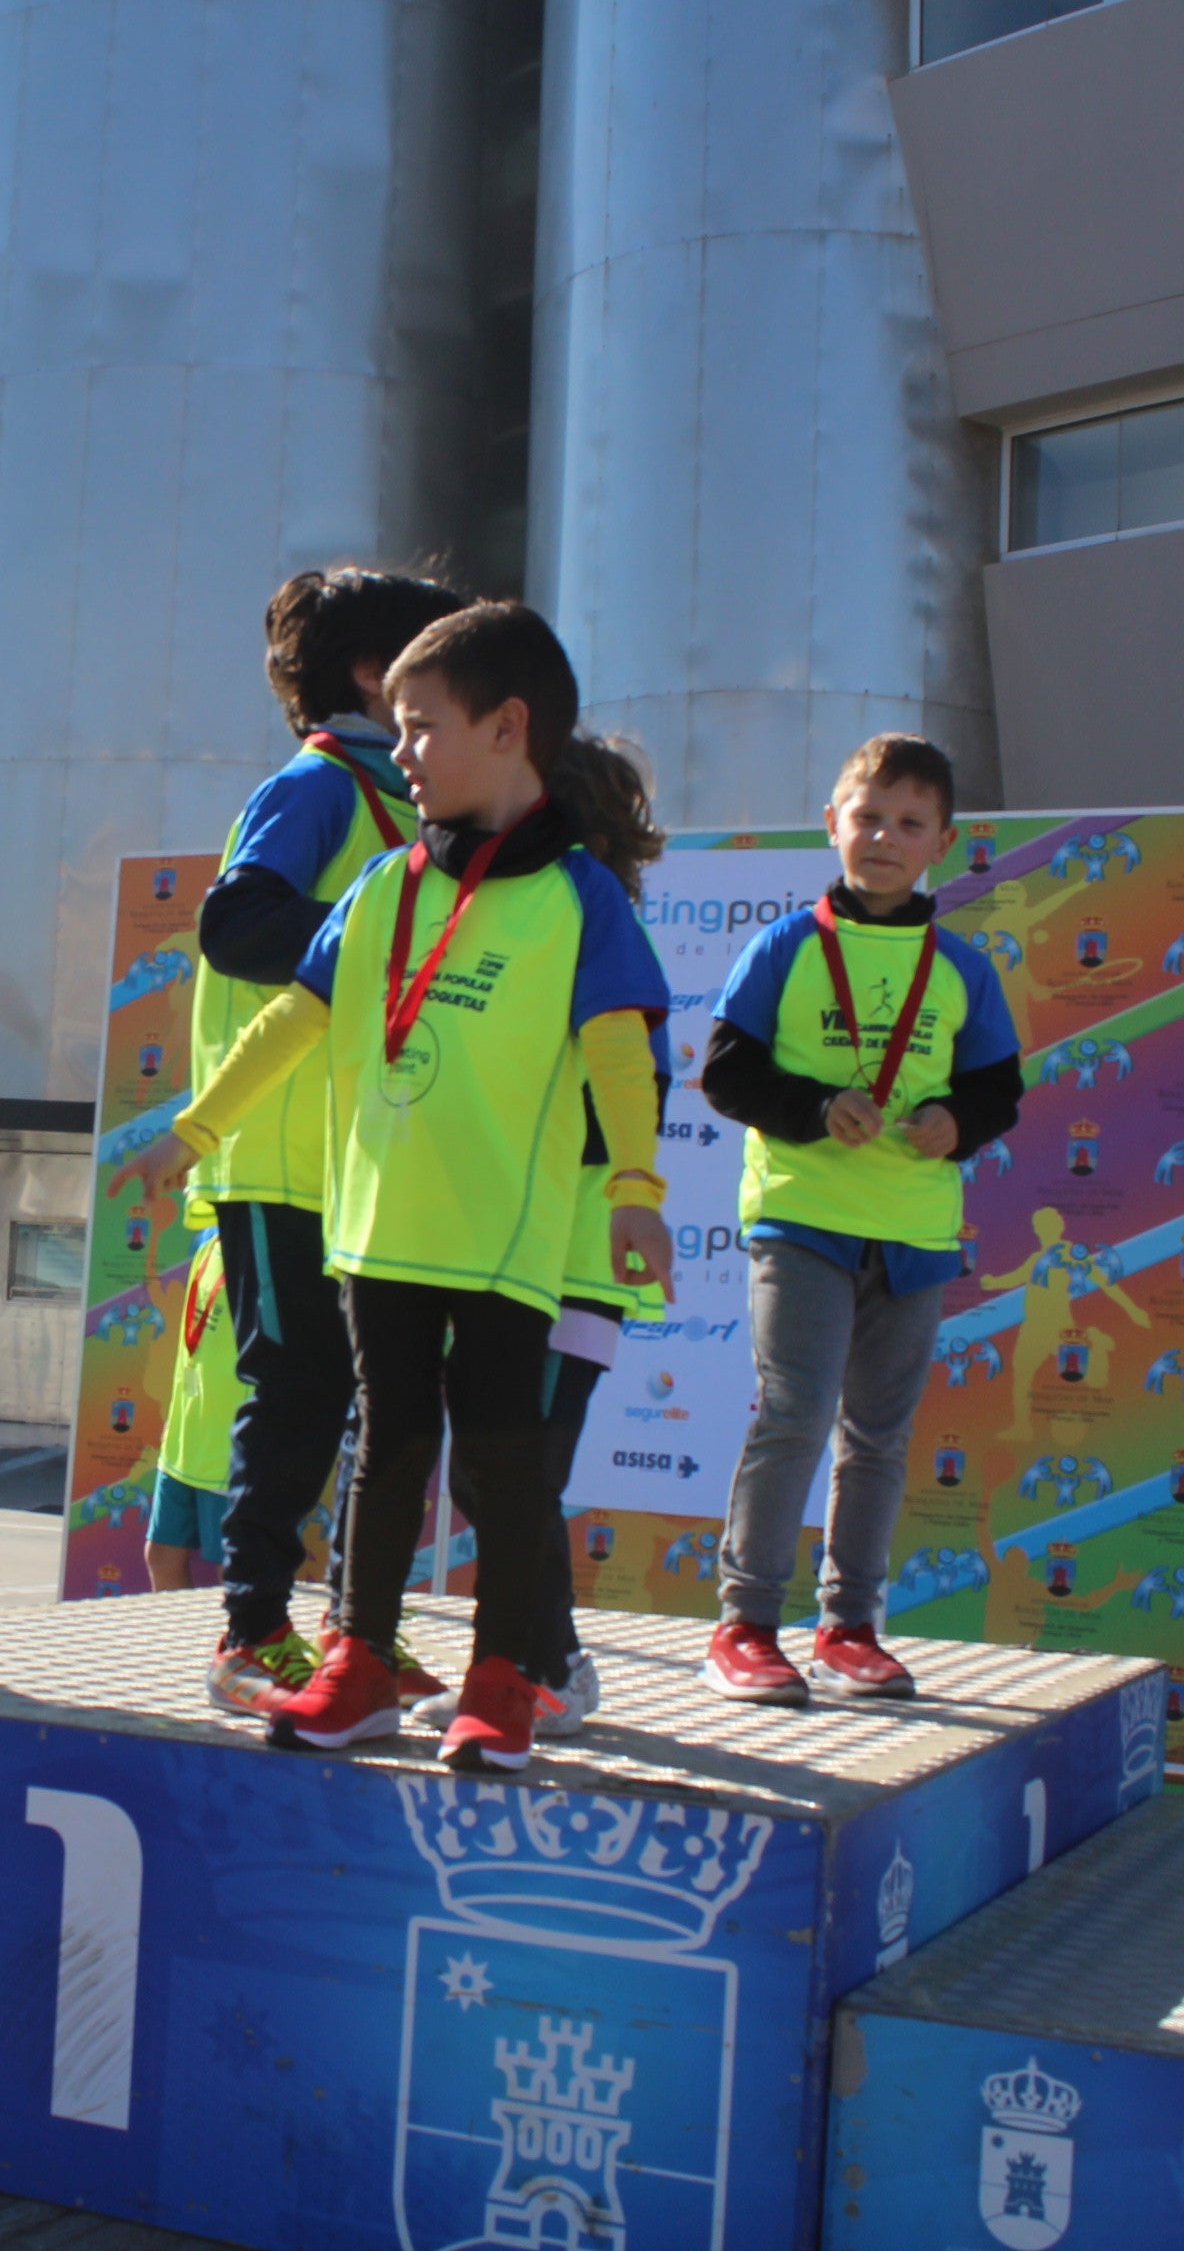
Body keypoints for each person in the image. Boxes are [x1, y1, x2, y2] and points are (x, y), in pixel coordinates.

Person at [116, 601, 675, 1776]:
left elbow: (623, 1050)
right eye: (401, 726)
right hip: (377, 1235)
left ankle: (504, 1679)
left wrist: (636, 1190)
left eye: (422, 729)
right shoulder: (382, 889)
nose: (402, 750)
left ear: (509, 730)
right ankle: (360, 1662)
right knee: (387, 1452)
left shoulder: (579, 898)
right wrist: (199, 1127)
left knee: (505, 1462)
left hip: (504, 1244)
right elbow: (294, 1020)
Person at [184, 566, 469, 1716]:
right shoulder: (315, 788)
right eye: (435, 656)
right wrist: (383, 944)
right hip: (284, 1155)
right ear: (373, 677)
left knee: (378, 1407)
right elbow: (237, 923)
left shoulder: (408, 806)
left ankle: (357, 1634)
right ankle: (251, 1629)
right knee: (296, 1392)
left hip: (367, 1165)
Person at [698, 732, 1023, 1706]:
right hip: (802, 1218)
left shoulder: (961, 967)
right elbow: (724, 1070)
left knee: (877, 1433)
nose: (884, 836)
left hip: (915, 1232)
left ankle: (849, 1626)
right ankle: (746, 1623)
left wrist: (953, 1122)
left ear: (944, 844)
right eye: (868, 816)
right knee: (794, 1414)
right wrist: (810, 1109)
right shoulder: (787, 947)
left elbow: (999, 1090)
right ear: (834, 824)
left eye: (909, 823)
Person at [515, 731, 672, 1733]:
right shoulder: (549, 924)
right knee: (513, 1472)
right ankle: (534, 1657)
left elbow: (634, 1095)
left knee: (520, 1471)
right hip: (527, 1264)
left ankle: (555, 1665)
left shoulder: (596, 929)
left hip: (572, 1270)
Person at [142, 1230, 239, 1591]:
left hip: (232, 1445)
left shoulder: (269, 1245)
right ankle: (174, 1644)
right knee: (161, 1555)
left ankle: (235, 1645)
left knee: (235, 1569)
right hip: (186, 1437)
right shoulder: (208, 1239)